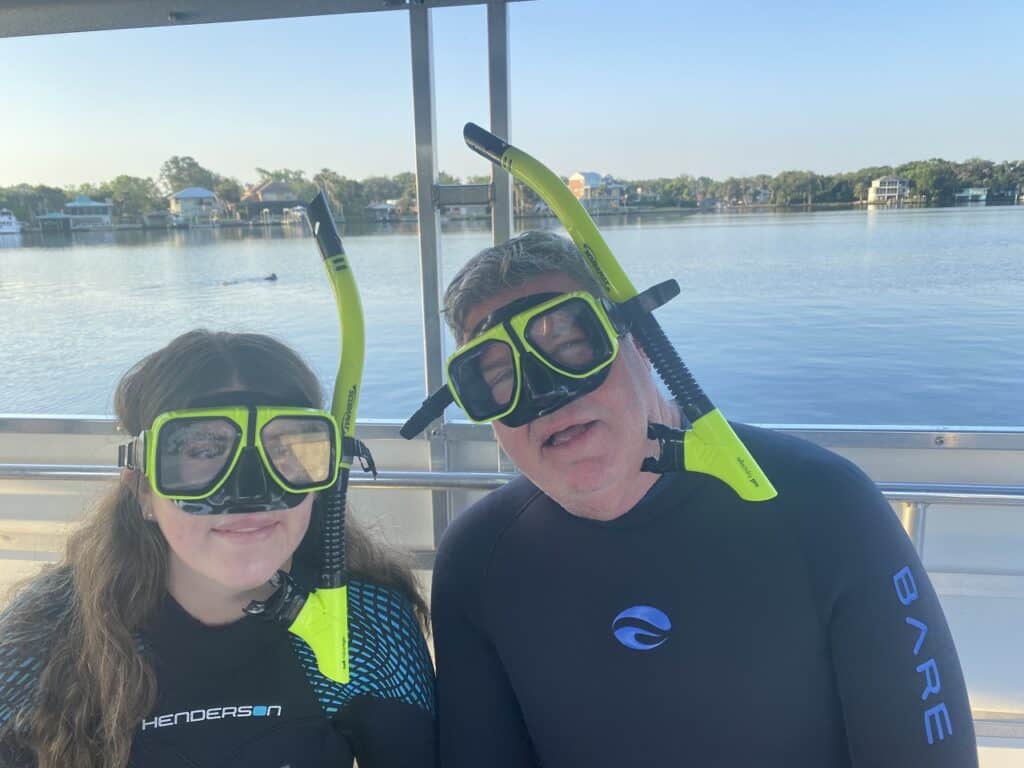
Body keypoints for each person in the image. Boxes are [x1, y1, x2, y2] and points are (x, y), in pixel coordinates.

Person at [427, 230, 978, 767]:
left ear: (640, 340)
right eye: (497, 377)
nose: (545, 395)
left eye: (572, 343)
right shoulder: (479, 561)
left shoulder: (825, 509)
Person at [0, 330, 436, 768]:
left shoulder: (367, 625)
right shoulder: (50, 633)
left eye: (285, 450)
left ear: (323, 478)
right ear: (142, 488)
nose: (249, 488)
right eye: (204, 451)